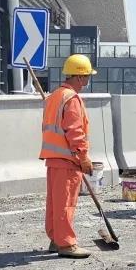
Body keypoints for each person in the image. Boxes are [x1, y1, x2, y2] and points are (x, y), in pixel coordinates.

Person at [39, 54, 97, 259]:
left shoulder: (55, 96)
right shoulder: (71, 99)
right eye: (87, 76)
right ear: (79, 77)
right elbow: (75, 132)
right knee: (65, 203)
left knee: (55, 203)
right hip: (67, 160)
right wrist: (83, 158)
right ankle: (66, 243)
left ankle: (56, 239)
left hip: (53, 158)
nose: (88, 80)